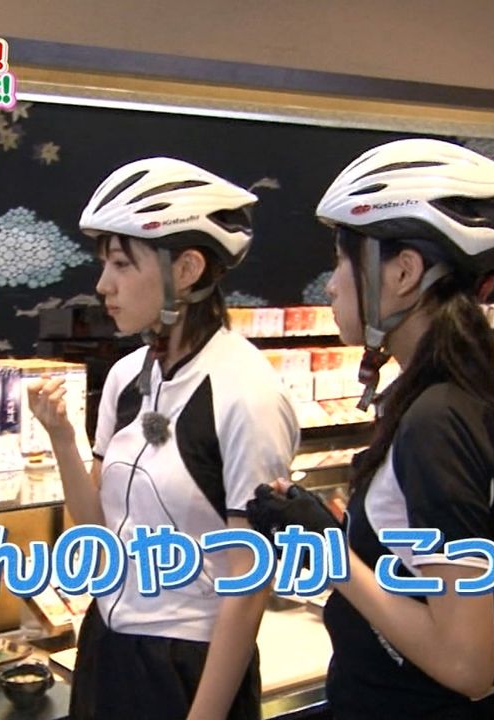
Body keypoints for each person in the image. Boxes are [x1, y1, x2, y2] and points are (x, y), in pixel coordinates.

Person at [247, 138, 494, 719]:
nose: (332, 284)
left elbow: (467, 664)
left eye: (343, 261)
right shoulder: (448, 397)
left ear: (404, 272)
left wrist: (331, 554)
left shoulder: (438, 420)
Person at [26, 157, 299, 720]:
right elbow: (96, 524)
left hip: (191, 667)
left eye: (122, 264)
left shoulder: (247, 393)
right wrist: (62, 439)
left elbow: (247, 587)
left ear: (187, 268)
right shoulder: (126, 376)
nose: (103, 285)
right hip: (107, 644)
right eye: (104, 263)